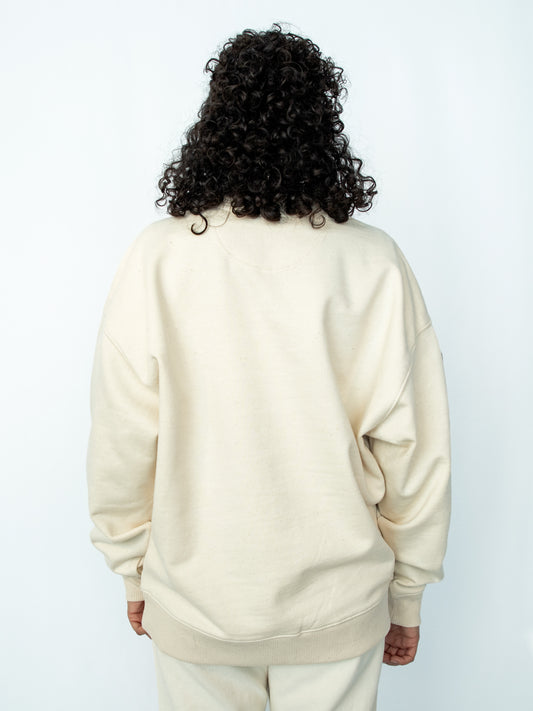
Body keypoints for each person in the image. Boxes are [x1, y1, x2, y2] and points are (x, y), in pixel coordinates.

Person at [86, 22, 452, 710]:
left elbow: (121, 437)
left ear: (215, 125)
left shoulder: (158, 257)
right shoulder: (371, 261)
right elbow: (415, 449)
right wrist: (407, 592)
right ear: (322, 126)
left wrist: (133, 570)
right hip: (339, 606)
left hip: (195, 600)